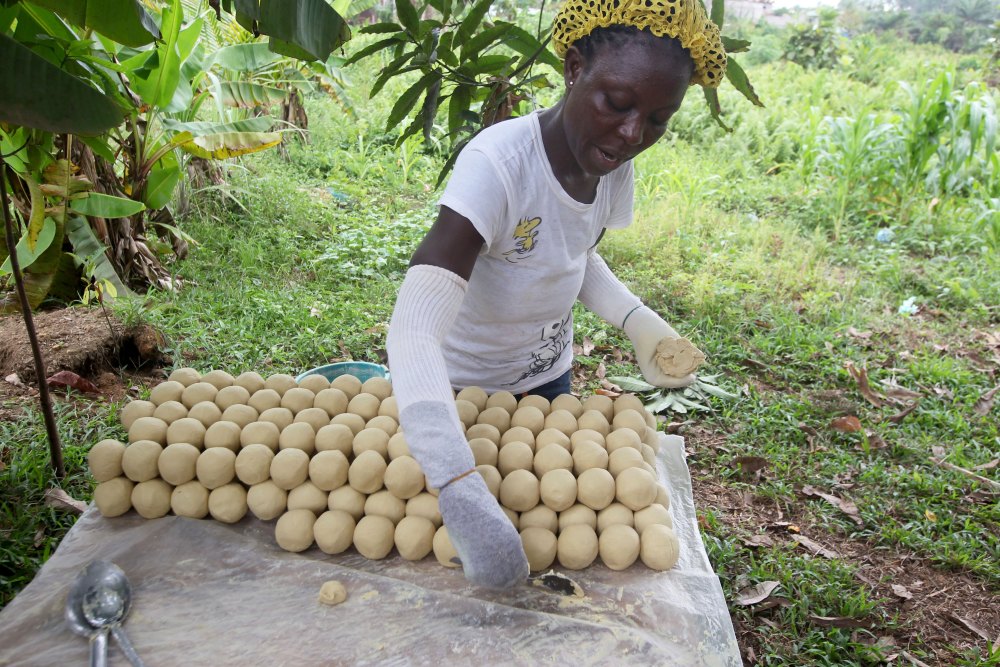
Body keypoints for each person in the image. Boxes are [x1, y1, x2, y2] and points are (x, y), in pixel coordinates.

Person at [385, 0, 726, 589]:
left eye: (658, 119)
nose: (632, 133)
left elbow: (573, 254)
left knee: (548, 520)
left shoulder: (612, 164)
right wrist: (451, 471)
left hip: (545, 383)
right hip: (458, 396)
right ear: (574, 69)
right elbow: (414, 324)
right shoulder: (499, 165)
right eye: (617, 104)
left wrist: (637, 321)